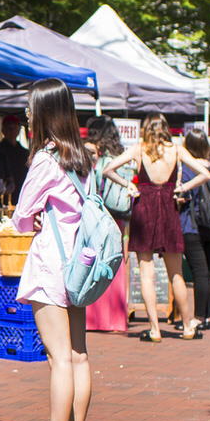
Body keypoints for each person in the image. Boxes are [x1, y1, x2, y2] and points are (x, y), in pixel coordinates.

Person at [9, 80, 94, 421]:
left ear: (42, 112)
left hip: (51, 267)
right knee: (78, 357)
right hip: (80, 266)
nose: (26, 114)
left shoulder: (45, 160)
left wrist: (35, 217)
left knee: (59, 358)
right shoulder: (83, 157)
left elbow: (21, 218)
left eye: (29, 108)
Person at [105, 114, 207, 342]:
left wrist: (129, 186)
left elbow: (108, 169)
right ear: (166, 128)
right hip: (169, 210)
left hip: (145, 209)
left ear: (146, 129)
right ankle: (188, 326)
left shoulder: (139, 149)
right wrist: (183, 188)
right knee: (176, 274)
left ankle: (154, 329)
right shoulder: (177, 150)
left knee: (146, 274)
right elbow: (205, 173)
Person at [83, 118, 133, 335]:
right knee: (116, 261)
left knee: (97, 261)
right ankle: (116, 318)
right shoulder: (121, 155)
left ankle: (96, 319)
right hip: (120, 216)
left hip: (100, 215)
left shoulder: (97, 156)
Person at [178, 131, 210, 334]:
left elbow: (183, 193)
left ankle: (198, 317)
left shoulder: (188, 167)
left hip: (192, 224)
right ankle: (205, 315)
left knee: (198, 271)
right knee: (208, 271)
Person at [0, 112, 30, 203]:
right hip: (3, 196)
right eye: (9, 128)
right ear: (3, 130)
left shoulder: (24, 152)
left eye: (14, 128)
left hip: (22, 194)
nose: (11, 131)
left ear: (18, 130)